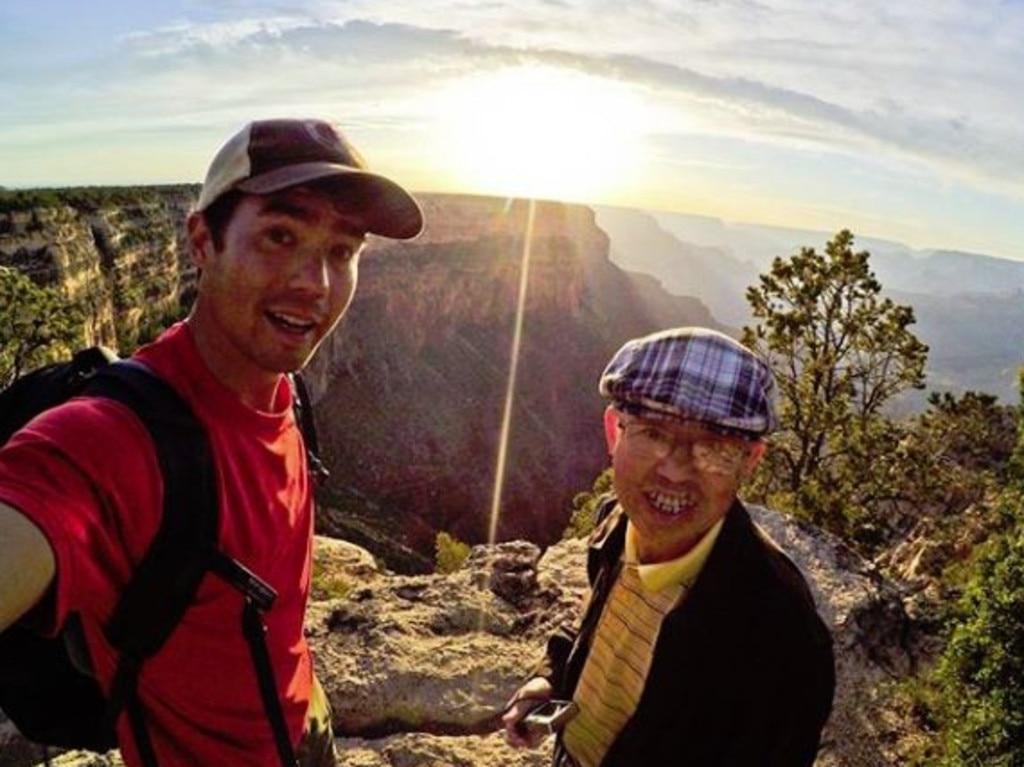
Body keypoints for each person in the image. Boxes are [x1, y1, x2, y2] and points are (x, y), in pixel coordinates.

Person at [0, 118, 423, 766]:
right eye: (280, 235)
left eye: (341, 250)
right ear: (202, 240)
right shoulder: (110, 441)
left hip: (306, 725)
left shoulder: (287, 386)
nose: (315, 282)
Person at [503, 327, 835, 766]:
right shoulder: (617, 523)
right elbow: (594, 617)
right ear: (613, 433)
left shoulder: (782, 637)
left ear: (750, 461)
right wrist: (551, 679)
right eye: (654, 433)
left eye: (714, 445)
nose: (677, 471)